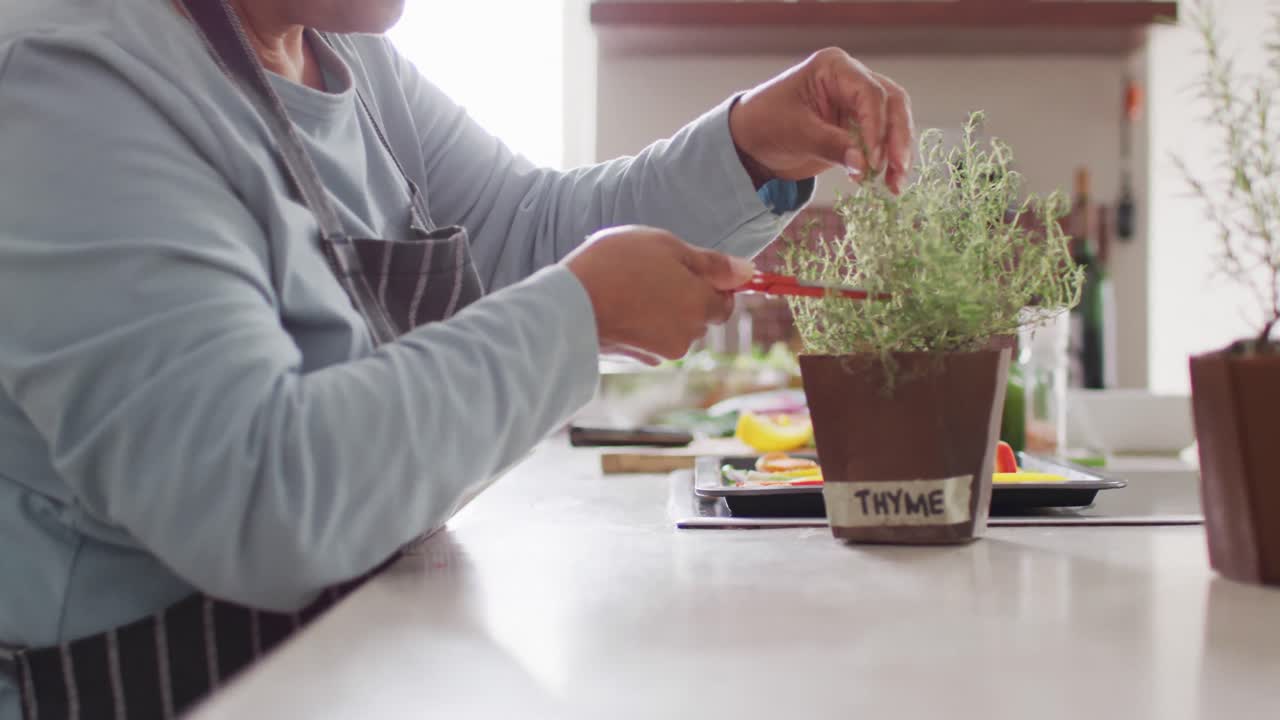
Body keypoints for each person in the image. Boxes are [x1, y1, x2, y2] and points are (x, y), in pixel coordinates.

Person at [0, 0, 913, 716]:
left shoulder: (349, 59)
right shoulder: (75, 86)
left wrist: (749, 144)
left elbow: (528, 227)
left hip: (339, 664)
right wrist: (580, 313)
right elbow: (253, 493)